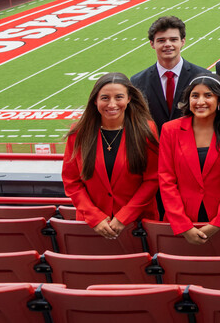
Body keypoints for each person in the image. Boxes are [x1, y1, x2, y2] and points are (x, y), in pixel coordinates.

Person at [62, 73, 159, 238]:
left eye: (119, 97)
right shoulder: (78, 133)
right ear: (95, 100)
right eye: (105, 98)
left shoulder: (146, 130)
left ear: (129, 99)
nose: (112, 104)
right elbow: (72, 182)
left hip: (137, 225)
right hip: (92, 226)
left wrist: (123, 218)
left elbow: (152, 179)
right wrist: (95, 217)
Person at [158, 74, 220, 245]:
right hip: (181, 223)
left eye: (208, 95)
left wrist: (218, 223)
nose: (200, 101)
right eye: (195, 96)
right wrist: (183, 225)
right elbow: (166, 180)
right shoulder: (170, 130)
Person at [131, 16, 210, 130]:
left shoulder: (203, 76)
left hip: (192, 144)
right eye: (161, 40)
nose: (167, 44)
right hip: (154, 145)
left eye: (173, 39)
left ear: (183, 41)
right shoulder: (137, 81)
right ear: (152, 44)